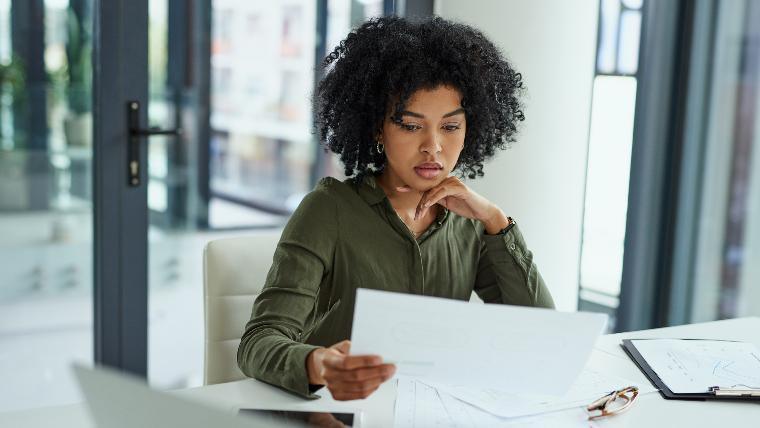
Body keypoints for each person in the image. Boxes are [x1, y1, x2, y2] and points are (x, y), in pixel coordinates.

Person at [237, 15, 555, 402]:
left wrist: (496, 221)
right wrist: (318, 364)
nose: (433, 147)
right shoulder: (329, 209)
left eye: (451, 127)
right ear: (376, 128)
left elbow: (541, 334)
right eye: (410, 125)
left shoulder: (472, 221)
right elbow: (258, 342)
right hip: (340, 411)